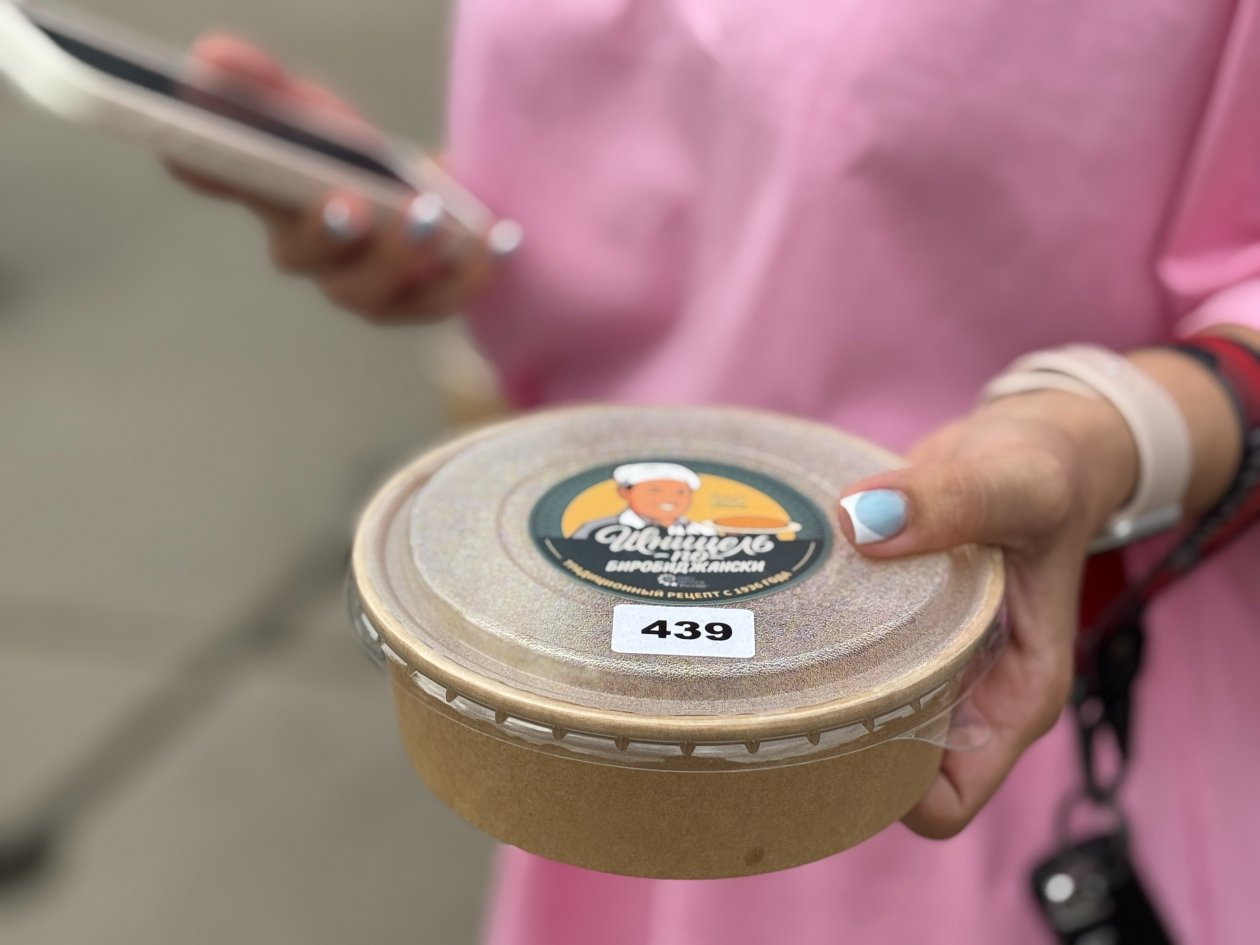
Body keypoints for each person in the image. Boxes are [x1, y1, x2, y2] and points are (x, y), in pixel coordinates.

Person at [173, 5, 1260, 942]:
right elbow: (667, 196)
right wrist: (438, 234)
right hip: (596, 707)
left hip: (988, 696)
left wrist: (1101, 433)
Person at [571, 462, 716, 538]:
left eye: (680, 492)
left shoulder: (704, 533)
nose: (668, 498)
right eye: (654, 490)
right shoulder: (594, 531)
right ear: (624, 492)